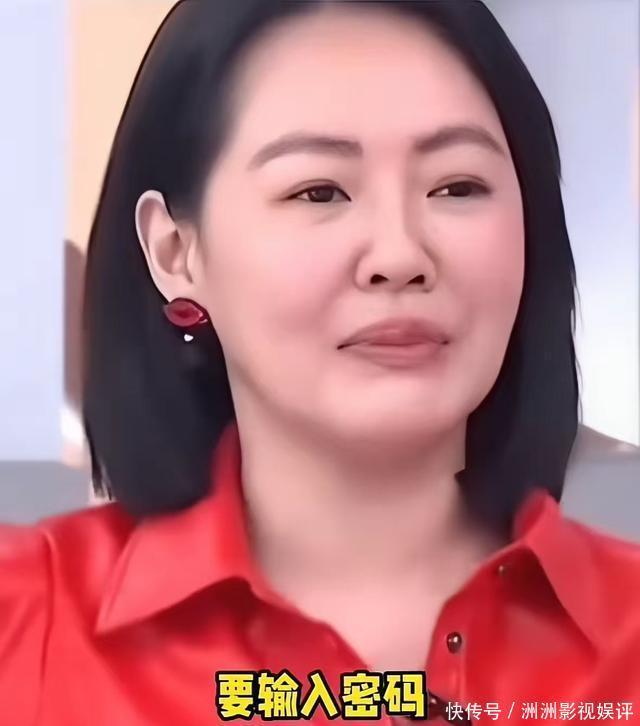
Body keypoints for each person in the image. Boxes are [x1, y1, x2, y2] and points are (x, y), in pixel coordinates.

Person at [1, 1, 639, 723]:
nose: (400, 255)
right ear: (175, 252)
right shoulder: (24, 624)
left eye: (457, 187)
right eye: (319, 191)